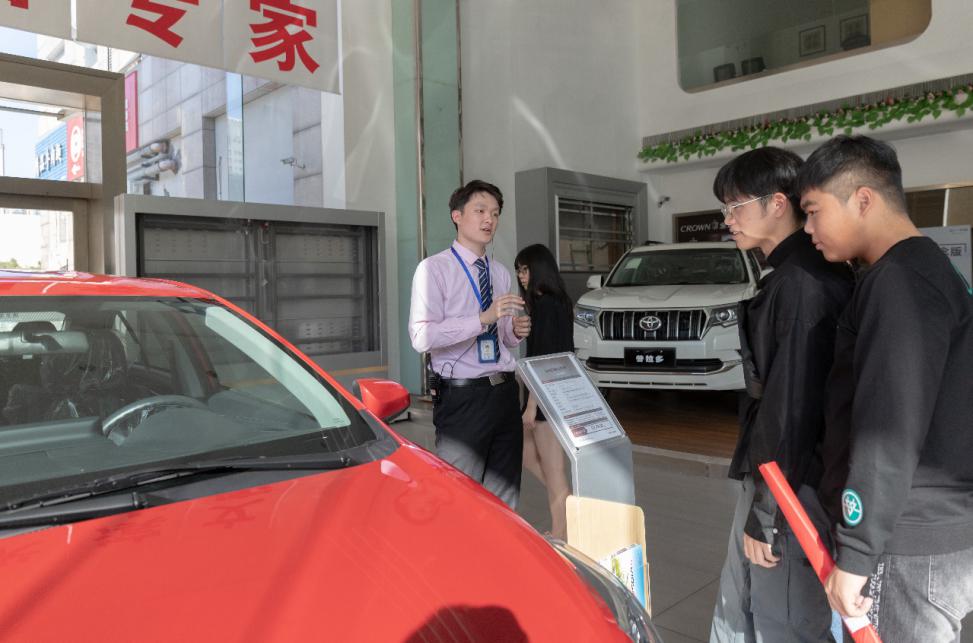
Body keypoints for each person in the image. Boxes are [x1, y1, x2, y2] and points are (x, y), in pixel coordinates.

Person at [798, 135, 973, 642]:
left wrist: (857, 552)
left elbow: (889, 428)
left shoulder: (898, 281)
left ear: (863, 199)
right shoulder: (931, 268)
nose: (807, 229)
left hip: (910, 542)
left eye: (813, 211)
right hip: (937, 530)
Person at [709, 147, 854, 643]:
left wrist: (768, 513)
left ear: (776, 204)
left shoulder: (802, 284)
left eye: (735, 206)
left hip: (793, 483)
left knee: (785, 619)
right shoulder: (797, 274)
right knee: (755, 603)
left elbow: (792, 405)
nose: (727, 220)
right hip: (784, 474)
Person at [408, 180, 531, 508]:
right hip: (463, 398)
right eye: (480, 211)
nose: (489, 219)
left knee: (504, 498)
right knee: (458, 498)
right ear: (457, 216)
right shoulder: (434, 270)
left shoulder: (500, 273)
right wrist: (482, 318)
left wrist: (514, 331)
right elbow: (421, 336)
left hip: (505, 393)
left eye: (495, 213)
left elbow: (502, 338)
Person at [514, 243, 573, 540]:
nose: (522, 276)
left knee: (553, 468)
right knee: (529, 456)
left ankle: (562, 531)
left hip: (545, 398)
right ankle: (569, 505)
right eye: (519, 270)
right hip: (551, 393)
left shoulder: (548, 305)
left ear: (540, 268)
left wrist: (532, 406)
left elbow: (544, 360)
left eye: (526, 269)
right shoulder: (553, 302)